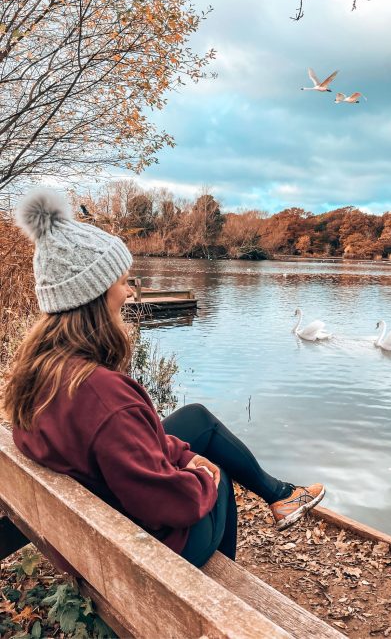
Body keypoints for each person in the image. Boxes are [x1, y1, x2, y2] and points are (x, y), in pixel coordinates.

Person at [3, 189, 325, 568]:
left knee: (197, 421)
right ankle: (218, 595)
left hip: (103, 518)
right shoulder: (104, 396)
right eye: (123, 282)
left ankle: (280, 495)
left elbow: (127, 444)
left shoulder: (40, 368)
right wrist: (204, 474)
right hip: (146, 548)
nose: (129, 291)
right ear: (94, 296)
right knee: (216, 477)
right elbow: (173, 503)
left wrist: (182, 456)